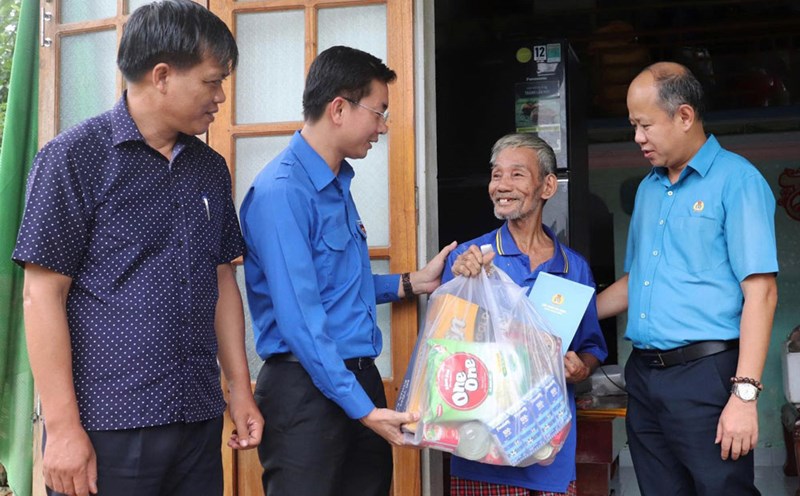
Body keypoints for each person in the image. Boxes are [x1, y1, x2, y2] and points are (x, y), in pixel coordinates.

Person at [12, 2, 263, 495]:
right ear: (163, 75)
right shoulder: (72, 158)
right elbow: (41, 296)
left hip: (196, 417)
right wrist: (62, 430)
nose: (221, 96)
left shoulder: (209, 169)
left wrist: (240, 390)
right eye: (212, 81)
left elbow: (221, 279)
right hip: (108, 425)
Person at [239, 45, 455, 496]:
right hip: (306, 393)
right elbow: (301, 319)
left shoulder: (337, 183)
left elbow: (337, 287)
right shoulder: (283, 192)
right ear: (339, 108)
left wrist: (412, 282)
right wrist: (362, 409)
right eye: (379, 112)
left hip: (357, 381)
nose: (382, 126)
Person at [596, 62, 779, 495]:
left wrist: (745, 396)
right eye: (632, 126)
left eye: (644, 125)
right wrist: (556, 320)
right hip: (643, 375)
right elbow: (634, 280)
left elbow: (763, 293)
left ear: (683, 116)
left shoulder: (738, 181)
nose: (637, 137)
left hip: (706, 375)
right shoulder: (648, 189)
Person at [444, 133, 608, 496]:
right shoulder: (472, 259)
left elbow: (591, 348)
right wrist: (462, 281)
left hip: (550, 450)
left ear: (547, 186)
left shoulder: (572, 268)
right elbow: (446, 351)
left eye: (516, 175)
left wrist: (581, 367)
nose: (501, 186)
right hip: (482, 452)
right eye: (496, 175)